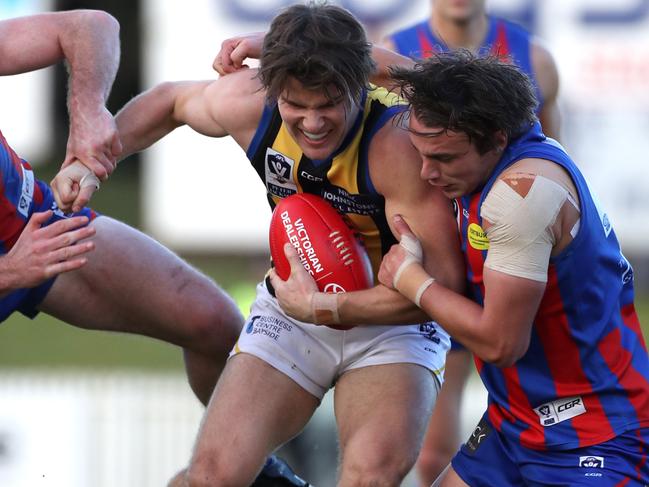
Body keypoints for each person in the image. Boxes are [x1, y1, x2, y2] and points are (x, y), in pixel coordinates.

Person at [52, 4, 465, 486]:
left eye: (328, 104)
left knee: (367, 478)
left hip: (393, 323)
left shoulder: (398, 147)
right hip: (292, 308)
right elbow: (169, 102)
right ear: (273, 89)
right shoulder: (249, 102)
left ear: (363, 84)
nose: (312, 123)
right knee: (208, 479)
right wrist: (90, 160)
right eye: (296, 105)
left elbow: (443, 290)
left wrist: (326, 307)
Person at [0, 10, 308, 486]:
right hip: (12, 263)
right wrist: (9, 272)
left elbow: (91, 25)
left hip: (35, 225)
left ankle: (249, 474)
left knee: (213, 323)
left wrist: (87, 115)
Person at [374, 50, 649, 486]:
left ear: (497, 139)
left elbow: (501, 344)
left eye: (443, 158)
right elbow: (380, 65)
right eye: (420, 154)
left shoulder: (520, 198)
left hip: (596, 436)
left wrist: (411, 280)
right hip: (513, 425)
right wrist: (268, 47)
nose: (426, 173)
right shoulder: (474, 119)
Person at [381, 1, 561, 482]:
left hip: (502, 271)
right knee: (434, 450)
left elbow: (554, 164)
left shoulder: (534, 59)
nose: (427, 168)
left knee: (549, 411)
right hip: (441, 270)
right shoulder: (395, 51)